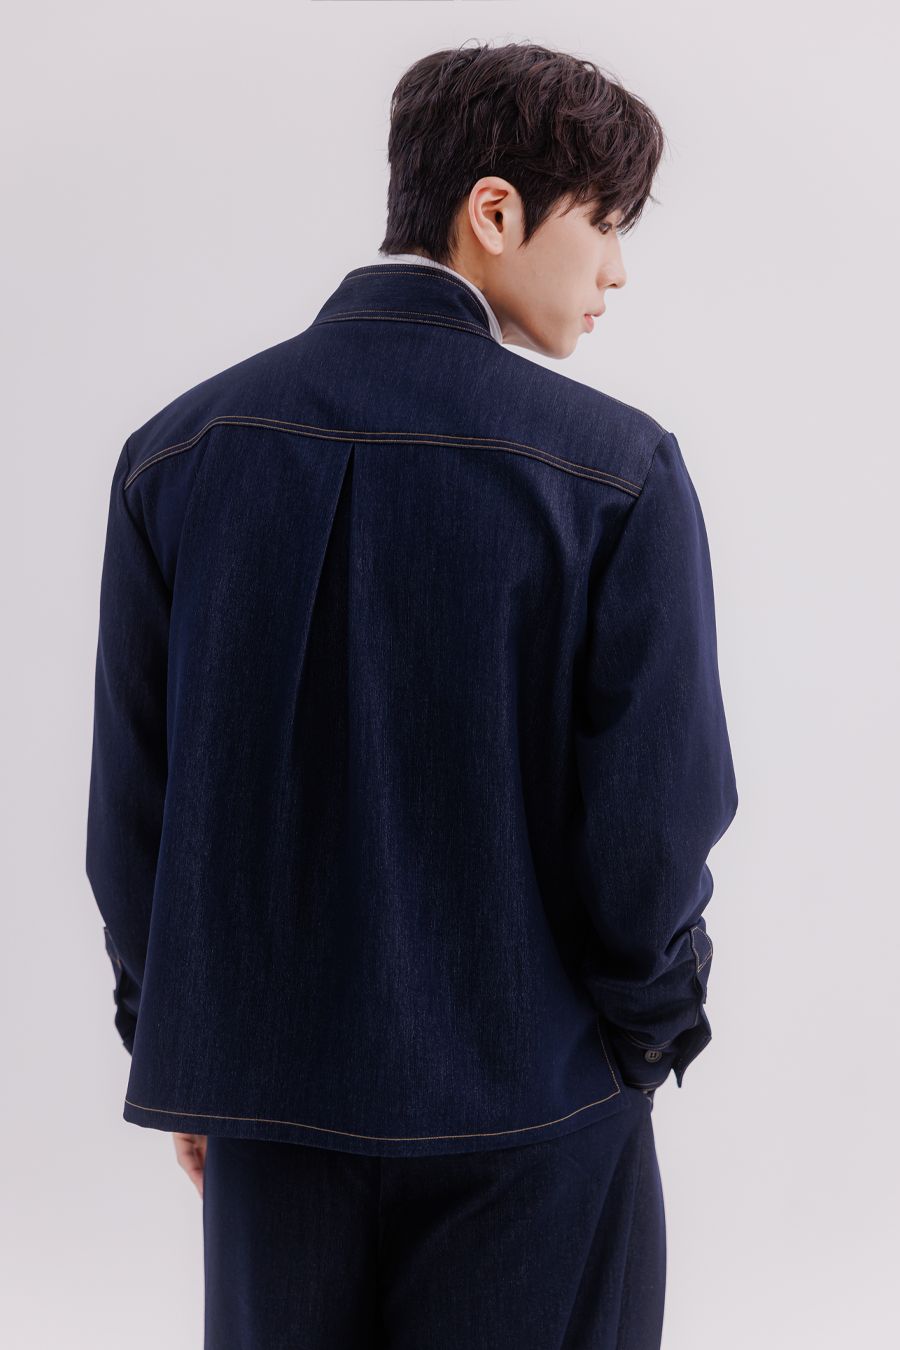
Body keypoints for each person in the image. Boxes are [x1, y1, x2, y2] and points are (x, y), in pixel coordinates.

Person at [86, 39, 739, 1349]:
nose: (616, 270)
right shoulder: (615, 475)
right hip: (540, 1117)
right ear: (494, 211)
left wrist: (194, 1055)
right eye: (606, 223)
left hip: (269, 1115)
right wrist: (646, 1038)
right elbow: (651, 839)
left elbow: (133, 821)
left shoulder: (177, 454)